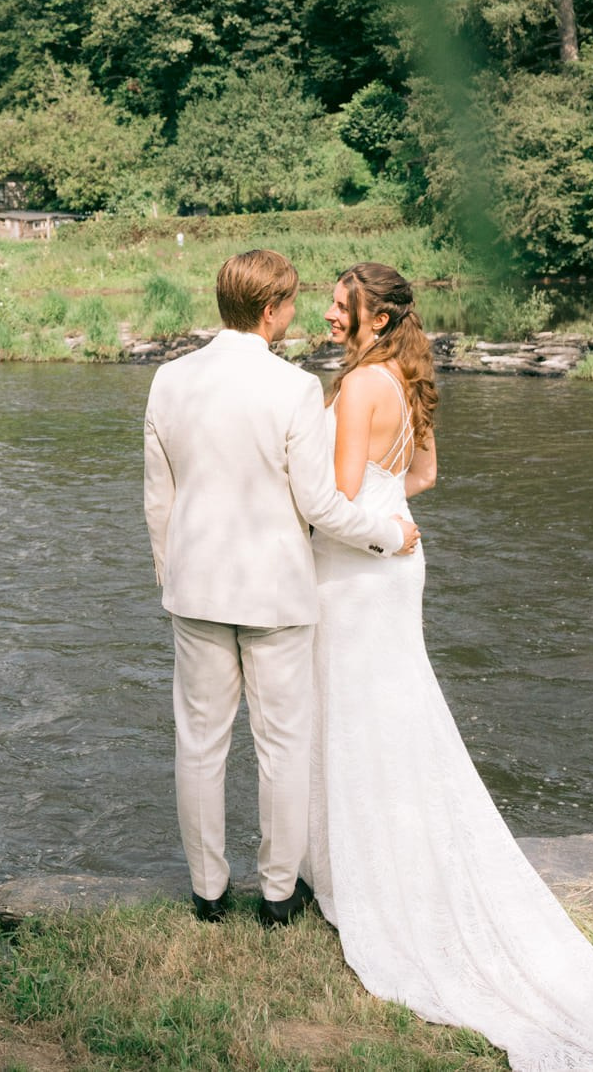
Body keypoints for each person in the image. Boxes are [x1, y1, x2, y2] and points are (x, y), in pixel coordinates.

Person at [307, 261, 593, 1070]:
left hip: (360, 567)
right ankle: (374, 865)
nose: (327, 311)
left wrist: (309, 505)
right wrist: (394, 517)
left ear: (375, 317)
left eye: (340, 304)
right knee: (395, 709)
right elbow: (421, 476)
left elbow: (344, 500)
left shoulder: (357, 389)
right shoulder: (406, 376)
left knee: (354, 711)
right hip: (399, 562)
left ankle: (361, 881)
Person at [141, 248, 419, 925]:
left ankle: (207, 892)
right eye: (292, 302)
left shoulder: (169, 381)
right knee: (282, 746)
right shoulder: (292, 388)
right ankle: (275, 895)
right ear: (270, 311)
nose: (297, 313)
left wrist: (169, 574)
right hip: (276, 598)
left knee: (199, 745)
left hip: (196, 590)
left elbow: (158, 499)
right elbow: (321, 507)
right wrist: (389, 534)